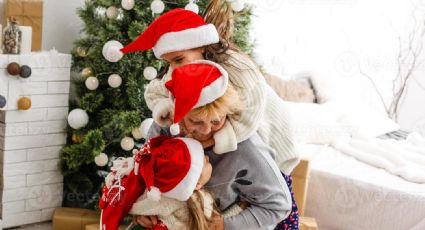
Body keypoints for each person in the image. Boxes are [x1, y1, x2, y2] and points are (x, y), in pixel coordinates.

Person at [136, 62, 293, 230]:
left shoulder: (246, 149)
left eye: (217, 121)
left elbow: (279, 206)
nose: (206, 131)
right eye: (196, 121)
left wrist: (226, 225)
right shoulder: (164, 128)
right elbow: (142, 173)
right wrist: (143, 208)